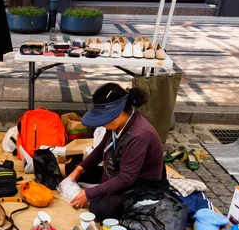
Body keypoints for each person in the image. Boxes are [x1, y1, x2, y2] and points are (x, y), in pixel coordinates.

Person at [65, 83, 167, 221]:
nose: (102, 123)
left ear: (117, 113)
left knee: (99, 210)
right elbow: (101, 149)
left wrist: (89, 194)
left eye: (104, 119)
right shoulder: (117, 124)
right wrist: (78, 169)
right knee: (71, 169)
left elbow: (126, 179)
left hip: (139, 186)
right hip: (117, 170)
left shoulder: (138, 135)